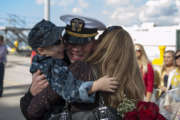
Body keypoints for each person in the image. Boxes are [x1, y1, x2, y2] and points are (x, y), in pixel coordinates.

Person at [20, 15, 117, 120]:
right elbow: (30, 113)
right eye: (72, 42)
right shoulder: (56, 63)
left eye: (84, 43)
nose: (76, 49)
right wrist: (31, 93)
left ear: (94, 43)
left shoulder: (104, 68)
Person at [161, 50, 180, 119]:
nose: (178, 59)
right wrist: (166, 102)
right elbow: (169, 89)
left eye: (179, 56)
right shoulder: (173, 73)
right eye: (176, 57)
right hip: (174, 105)